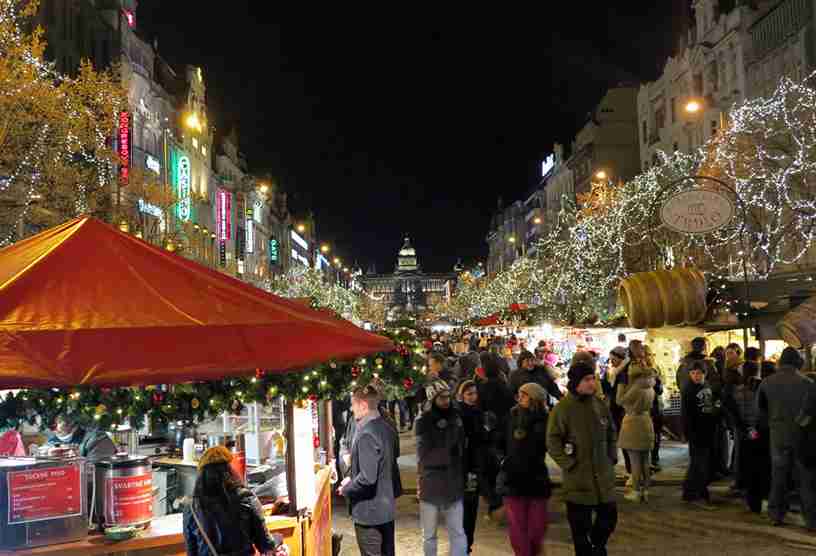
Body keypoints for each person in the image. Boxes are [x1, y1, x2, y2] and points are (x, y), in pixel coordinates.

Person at [547, 361, 618, 556]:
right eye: (587, 379)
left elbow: (611, 431)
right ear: (576, 382)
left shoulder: (599, 404)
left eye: (592, 379)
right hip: (578, 478)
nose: (592, 383)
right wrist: (568, 463)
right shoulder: (563, 408)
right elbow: (552, 440)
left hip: (603, 476)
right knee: (580, 528)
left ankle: (598, 545)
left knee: (609, 518)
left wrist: (611, 456)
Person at [183, 446, 287, 556]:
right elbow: (265, 545)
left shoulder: (191, 508)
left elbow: (191, 551)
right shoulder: (245, 497)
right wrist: (278, 538)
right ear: (229, 469)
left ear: (201, 475)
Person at [757, 347, 816, 529]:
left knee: (779, 477)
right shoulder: (808, 383)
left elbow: (759, 413)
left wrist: (773, 425)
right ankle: (812, 520)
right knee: (806, 480)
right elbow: (812, 413)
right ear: (798, 362)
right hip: (801, 437)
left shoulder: (766, 383)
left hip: (777, 435)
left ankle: (776, 515)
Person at [338, 382, 400, 556]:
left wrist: (347, 488)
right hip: (385, 509)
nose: (351, 408)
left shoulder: (366, 433)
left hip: (369, 513)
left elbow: (367, 478)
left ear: (363, 405)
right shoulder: (386, 426)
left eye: (353, 404)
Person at [499, 383, 552, 556]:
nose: (519, 397)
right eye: (519, 394)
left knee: (537, 528)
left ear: (535, 399)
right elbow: (502, 442)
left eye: (524, 395)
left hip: (537, 478)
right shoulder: (512, 415)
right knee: (518, 527)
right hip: (513, 477)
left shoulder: (546, 419)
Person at [415, 380, 468, 556]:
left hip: (453, 484)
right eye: (442, 398)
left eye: (448, 397)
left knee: (458, 532)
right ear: (433, 399)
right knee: (429, 535)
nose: (447, 401)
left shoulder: (456, 418)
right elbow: (423, 455)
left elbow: (462, 448)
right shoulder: (424, 422)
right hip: (431, 485)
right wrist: (449, 453)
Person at [727, 360, 771, 513]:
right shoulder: (762, 387)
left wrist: (744, 429)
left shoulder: (737, 390)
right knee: (760, 465)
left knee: (747, 463)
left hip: (745, 431)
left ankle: (751, 498)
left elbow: (733, 411)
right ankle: (759, 497)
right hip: (759, 431)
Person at [616, 340, 656, 503]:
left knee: (634, 460)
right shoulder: (650, 380)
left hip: (632, 420)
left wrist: (626, 394)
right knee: (645, 459)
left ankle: (636, 491)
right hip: (646, 420)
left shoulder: (631, 380)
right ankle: (646, 490)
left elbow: (619, 400)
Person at [681, 360, 720, 509]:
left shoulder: (706, 386)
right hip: (697, 432)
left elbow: (710, 406)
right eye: (693, 373)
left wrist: (716, 407)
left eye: (698, 373)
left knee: (699, 463)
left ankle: (689, 492)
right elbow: (686, 414)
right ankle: (700, 495)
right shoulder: (688, 389)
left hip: (707, 430)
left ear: (704, 373)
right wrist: (687, 433)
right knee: (700, 464)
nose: (696, 376)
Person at [457, 380, 486, 555]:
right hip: (461, 467)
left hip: (473, 467)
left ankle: (467, 544)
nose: (473, 397)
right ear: (462, 395)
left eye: (475, 393)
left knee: (471, 507)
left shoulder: (478, 412)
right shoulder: (458, 414)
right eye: (469, 394)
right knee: (461, 508)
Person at [46, 414, 117, 461]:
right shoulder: (53, 440)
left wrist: (78, 459)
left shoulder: (97, 438)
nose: (54, 430)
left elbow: (99, 469)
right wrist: (49, 456)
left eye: (57, 423)